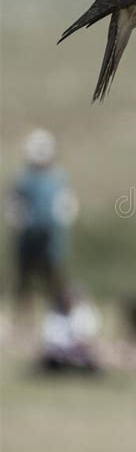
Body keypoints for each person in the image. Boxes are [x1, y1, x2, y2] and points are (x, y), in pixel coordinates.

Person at [6, 129, 78, 319]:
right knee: (23, 282)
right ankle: (22, 320)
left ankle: (58, 318)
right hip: (27, 238)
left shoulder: (58, 177)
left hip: (50, 239)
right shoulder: (22, 178)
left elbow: (66, 205)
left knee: (53, 280)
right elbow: (14, 206)